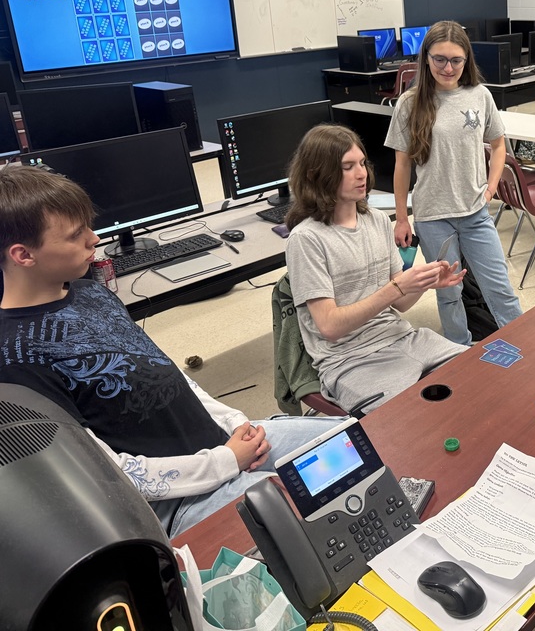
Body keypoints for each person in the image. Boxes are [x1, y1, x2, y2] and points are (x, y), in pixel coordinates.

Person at [0, 165, 345, 538]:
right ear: (23, 255)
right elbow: (107, 474)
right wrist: (225, 462)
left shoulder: (89, 291)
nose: (94, 239)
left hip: (225, 445)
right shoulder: (18, 362)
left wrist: (235, 422)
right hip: (182, 497)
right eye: (75, 235)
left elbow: (170, 374)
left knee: (351, 445)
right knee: (310, 525)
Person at [284, 124, 468, 412]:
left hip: (402, 338)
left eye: (361, 163)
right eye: (347, 167)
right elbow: (330, 327)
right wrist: (397, 287)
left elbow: (402, 304)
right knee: (411, 421)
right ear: (315, 175)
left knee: (480, 376)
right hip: (350, 360)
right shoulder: (306, 239)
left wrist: (424, 283)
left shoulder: (379, 221)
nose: (362, 174)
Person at [385, 20, 522, 346]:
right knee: (449, 292)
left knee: (499, 286)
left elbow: (499, 145)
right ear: (426, 58)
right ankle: (460, 354)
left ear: (467, 60)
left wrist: (490, 188)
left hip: (474, 212)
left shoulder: (480, 95)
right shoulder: (409, 103)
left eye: (456, 60)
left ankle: (524, 345)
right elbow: (402, 164)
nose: (448, 67)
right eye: (439, 59)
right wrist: (402, 217)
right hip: (433, 216)